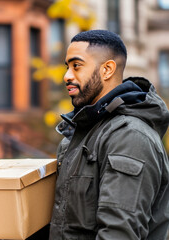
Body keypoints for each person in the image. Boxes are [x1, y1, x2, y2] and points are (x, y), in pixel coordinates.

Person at [50, 29, 169, 239]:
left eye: (76, 66)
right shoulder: (76, 140)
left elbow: (118, 234)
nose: (67, 76)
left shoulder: (130, 137)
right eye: (67, 67)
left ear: (107, 70)